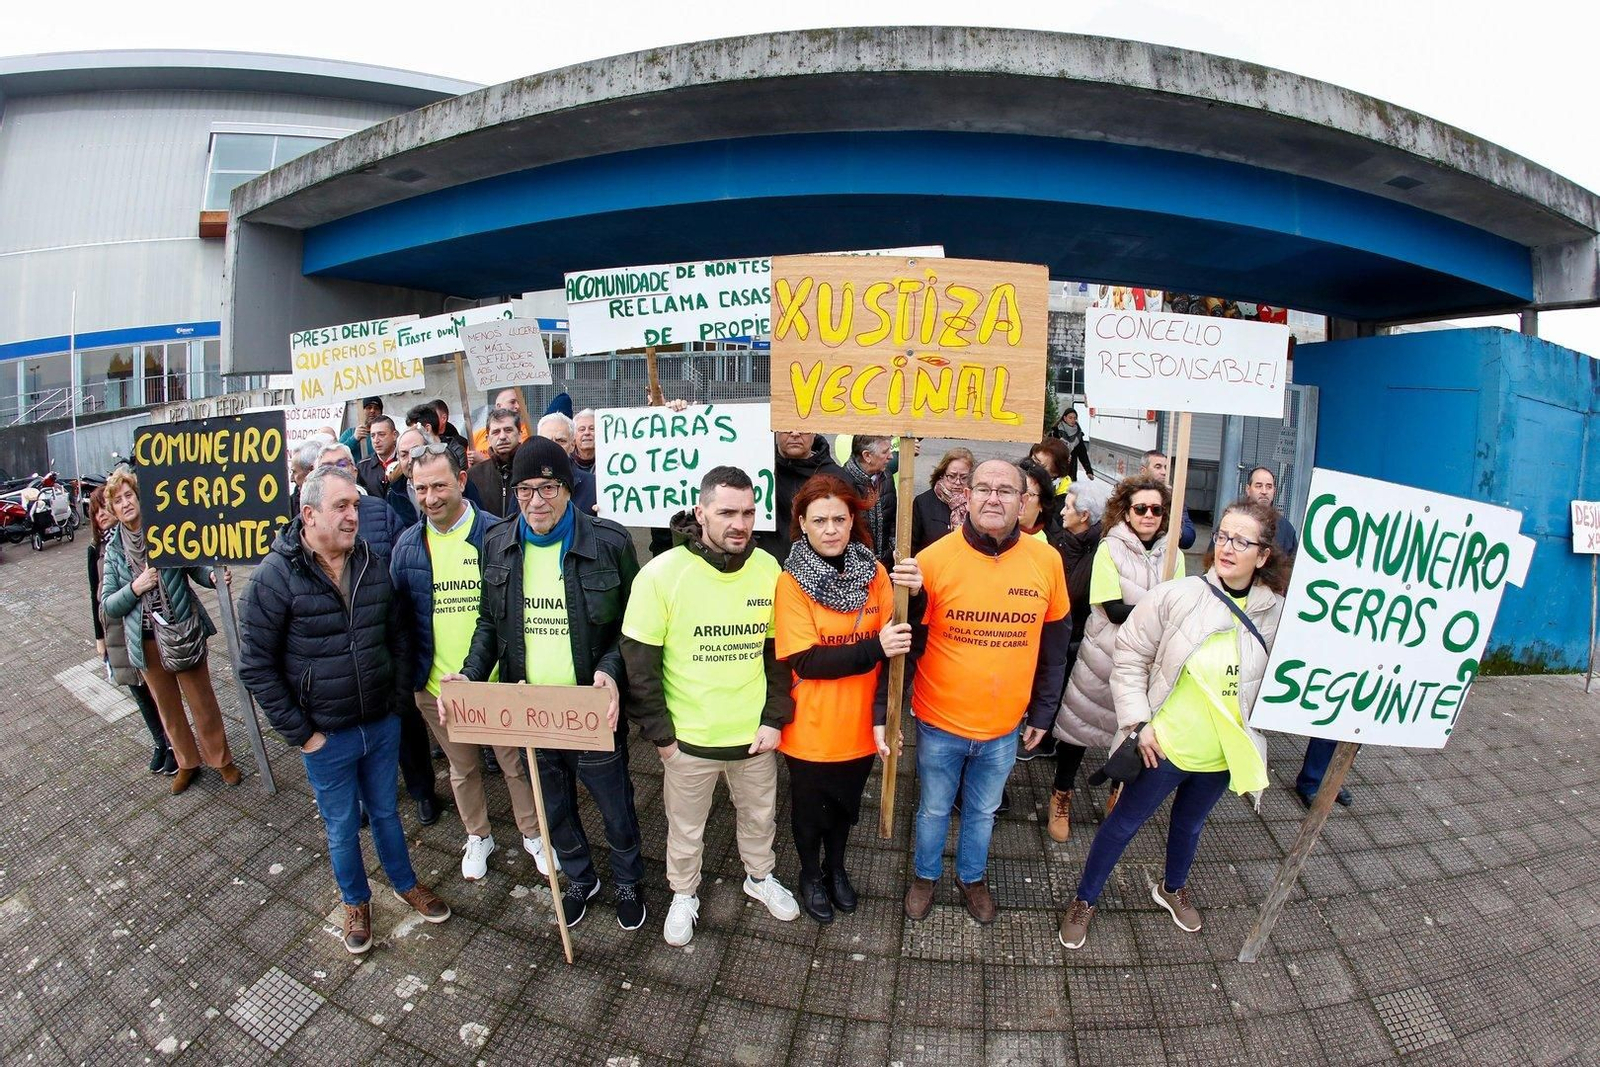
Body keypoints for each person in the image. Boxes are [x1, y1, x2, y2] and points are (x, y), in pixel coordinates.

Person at [1059, 498, 1288, 950]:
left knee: (1190, 825)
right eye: (1222, 535)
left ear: (1262, 555)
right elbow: (1129, 659)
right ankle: (1085, 899)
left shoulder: (1278, 613)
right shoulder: (1176, 595)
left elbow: (1285, 679)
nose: (1226, 547)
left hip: (1221, 753)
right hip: (1161, 746)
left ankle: (1171, 887)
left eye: (1241, 541)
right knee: (1123, 824)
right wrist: (1138, 723)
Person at [239, 466, 451, 954]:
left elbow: (397, 634)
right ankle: (355, 901)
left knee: (387, 814)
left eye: (355, 505)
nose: (354, 515)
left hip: (380, 722)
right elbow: (256, 667)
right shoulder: (274, 578)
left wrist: (397, 703)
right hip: (325, 735)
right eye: (341, 507)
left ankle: (404, 883)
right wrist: (302, 733)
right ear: (308, 514)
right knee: (340, 828)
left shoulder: (372, 563)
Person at [448, 437, 648, 929]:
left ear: (568, 488)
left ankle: (627, 879)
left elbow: (632, 626)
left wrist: (611, 670)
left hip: (587, 708)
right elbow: (489, 624)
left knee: (615, 805)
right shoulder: (497, 543)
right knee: (552, 803)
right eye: (524, 489)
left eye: (548, 488)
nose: (535, 501)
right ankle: (580, 877)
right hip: (532, 708)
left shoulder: (609, 542)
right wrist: (471, 674)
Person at [621, 465, 799, 946]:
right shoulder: (661, 575)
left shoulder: (768, 569)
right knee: (684, 825)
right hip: (689, 738)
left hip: (753, 736)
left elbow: (777, 653)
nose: (739, 523)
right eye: (726, 512)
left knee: (761, 815)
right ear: (701, 513)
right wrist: (662, 738)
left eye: (747, 512)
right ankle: (684, 893)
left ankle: (759, 877)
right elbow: (639, 665)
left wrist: (774, 718)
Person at [903, 460, 1069, 925]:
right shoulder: (932, 561)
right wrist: (909, 599)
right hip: (939, 721)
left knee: (983, 811)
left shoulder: (1046, 561)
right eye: (983, 488)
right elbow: (909, 646)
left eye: (1006, 491)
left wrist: (1043, 712)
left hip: (1004, 726)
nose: (994, 498)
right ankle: (925, 875)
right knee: (934, 809)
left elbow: (1056, 646)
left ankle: (971, 876)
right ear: (966, 497)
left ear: (1024, 502)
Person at [388, 445, 556, 883]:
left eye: (440, 485)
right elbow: (401, 619)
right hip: (436, 685)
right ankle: (478, 834)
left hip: (495, 680)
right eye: (421, 488)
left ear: (461, 481)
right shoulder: (406, 546)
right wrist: (412, 679)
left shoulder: (497, 534)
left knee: (516, 763)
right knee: (461, 769)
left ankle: (533, 833)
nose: (430, 497)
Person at [776, 474, 921, 924]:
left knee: (845, 807)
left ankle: (835, 867)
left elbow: (900, 642)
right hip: (812, 728)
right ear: (802, 523)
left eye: (840, 518)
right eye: (819, 520)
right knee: (809, 813)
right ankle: (809, 873)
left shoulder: (876, 573)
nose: (831, 529)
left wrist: (917, 590)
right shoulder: (790, 582)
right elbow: (807, 660)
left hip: (862, 725)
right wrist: (874, 647)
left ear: (853, 520)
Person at [99, 469, 240, 795]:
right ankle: (187, 762)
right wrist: (135, 587)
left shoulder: (165, 529)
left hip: (180, 631)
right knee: (167, 706)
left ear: (139, 496)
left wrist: (213, 578)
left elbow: (194, 565)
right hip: (144, 640)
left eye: (129, 495)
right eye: (118, 500)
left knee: (202, 700)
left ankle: (221, 760)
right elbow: (108, 605)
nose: (125, 503)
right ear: (113, 509)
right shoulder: (115, 550)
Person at [1054, 475, 1185, 818]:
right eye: (1140, 508)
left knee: (1132, 731)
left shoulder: (1174, 555)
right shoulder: (1109, 548)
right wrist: (1160, 608)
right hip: (1104, 654)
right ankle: (1061, 794)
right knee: (1079, 726)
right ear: (1126, 512)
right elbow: (1112, 609)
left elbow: (1183, 609)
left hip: (1148, 661)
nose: (1148, 515)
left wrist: (1160, 611)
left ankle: (1119, 790)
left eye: (1156, 509)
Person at [87, 486, 172, 776]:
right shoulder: (100, 550)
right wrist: (99, 638)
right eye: (98, 513)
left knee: (159, 689)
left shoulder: (138, 539)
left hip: (143, 624)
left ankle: (173, 745)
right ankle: (160, 743)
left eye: (105, 509)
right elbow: (96, 596)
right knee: (139, 690)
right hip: (116, 631)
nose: (104, 516)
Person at [1043, 478, 1111, 841]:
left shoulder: (1103, 551)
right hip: (1059, 640)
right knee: (1070, 721)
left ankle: (1113, 789)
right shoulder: (1059, 542)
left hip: (1086, 644)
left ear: (1085, 515)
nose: (1062, 511)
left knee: (1086, 718)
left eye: (1068, 507)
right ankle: (1061, 789)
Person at [754, 430, 845, 562]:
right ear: (774, 430)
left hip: (822, 574)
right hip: (765, 573)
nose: (795, 433)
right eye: (786, 427)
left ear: (814, 432)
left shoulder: (838, 479)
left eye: (803, 428)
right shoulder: (754, 470)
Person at [842, 434, 896, 567]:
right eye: (885, 452)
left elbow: (894, 519)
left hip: (886, 566)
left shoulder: (886, 477)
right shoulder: (842, 483)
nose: (891, 456)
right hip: (855, 569)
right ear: (867, 456)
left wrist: (893, 549)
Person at [909, 447, 973, 555]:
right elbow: (912, 545)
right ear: (942, 475)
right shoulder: (923, 502)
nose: (957, 482)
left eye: (964, 477)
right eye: (951, 476)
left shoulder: (976, 503)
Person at [465, 407, 523, 518]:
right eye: (496, 432)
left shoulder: (532, 470)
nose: (502, 437)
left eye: (508, 430)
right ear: (488, 439)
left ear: (519, 434)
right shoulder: (473, 476)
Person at [536, 411, 597, 515]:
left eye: (561, 441)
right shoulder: (525, 485)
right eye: (547, 441)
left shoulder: (593, 486)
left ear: (572, 445)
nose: (554, 446)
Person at [1141, 449, 1196, 550]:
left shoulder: (1173, 497)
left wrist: (1176, 530)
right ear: (1143, 471)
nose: (1164, 472)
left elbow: (1188, 538)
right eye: (1158, 467)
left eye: (1165, 467)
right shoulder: (1131, 494)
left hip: (1163, 557)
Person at [1246, 466, 1299, 558]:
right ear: (1248, 489)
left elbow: (1293, 565)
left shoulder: (1286, 528)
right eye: (1258, 486)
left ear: (1274, 491)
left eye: (1269, 487)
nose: (1264, 491)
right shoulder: (1233, 521)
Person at [470, 387, 531, 455]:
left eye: (508, 430)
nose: (518, 406)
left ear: (519, 434)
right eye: (512, 402)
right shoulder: (477, 436)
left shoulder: (528, 432)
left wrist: (482, 461)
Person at [407, 403, 468, 471]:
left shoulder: (456, 451)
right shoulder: (411, 453)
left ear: (427, 429)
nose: (410, 436)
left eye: (414, 431)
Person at [355, 416, 398, 498]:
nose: (376, 440)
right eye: (372, 436)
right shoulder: (362, 467)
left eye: (381, 434)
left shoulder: (405, 462)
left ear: (394, 435)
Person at [1048, 407, 1095, 480]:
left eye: (1074, 418)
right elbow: (1048, 450)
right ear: (1065, 418)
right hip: (1055, 470)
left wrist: (1089, 471)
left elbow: (1082, 454)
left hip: (1070, 472)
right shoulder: (1055, 432)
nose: (1073, 420)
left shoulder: (1078, 434)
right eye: (1070, 418)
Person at [340, 396, 384, 461]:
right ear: (361, 411)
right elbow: (338, 454)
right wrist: (354, 439)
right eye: (368, 408)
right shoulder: (350, 433)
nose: (372, 411)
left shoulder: (384, 434)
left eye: (376, 408)